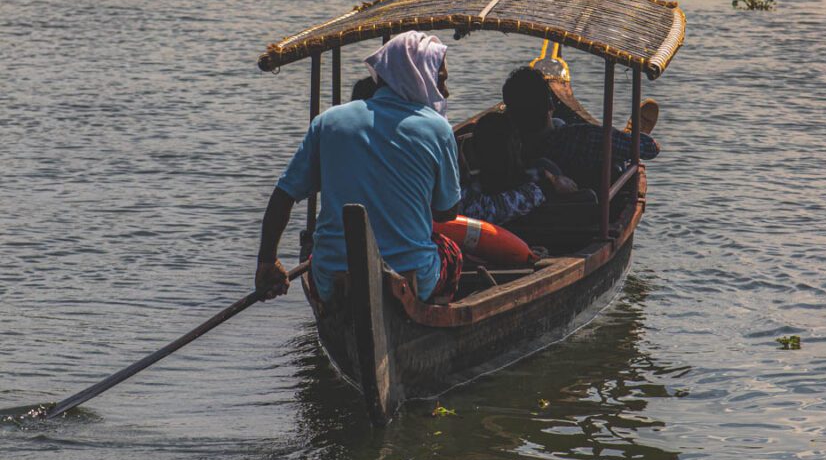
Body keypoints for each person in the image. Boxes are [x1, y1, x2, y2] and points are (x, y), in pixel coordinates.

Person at [255, 31, 463, 303]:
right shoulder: (438, 129)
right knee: (452, 253)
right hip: (411, 278)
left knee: (314, 249)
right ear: (420, 74)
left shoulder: (329, 121)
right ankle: (428, 315)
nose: (444, 92)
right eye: (441, 80)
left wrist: (267, 262)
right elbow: (446, 211)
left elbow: (284, 195)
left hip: (332, 280)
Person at [502, 66, 660, 192]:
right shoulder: (582, 137)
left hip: (537, 215)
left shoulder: (504, 148)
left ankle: (623, 141)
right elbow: (650, 148)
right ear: (550, 105)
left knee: (559, 123)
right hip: (588, 204)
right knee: (618, 156)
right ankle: (627, 138)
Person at [459, 110, 587, 227]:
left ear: (475, 152)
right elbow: (484, 211)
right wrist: (545, 186)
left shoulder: (538, 175)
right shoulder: (541, 178)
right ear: (519, 146)